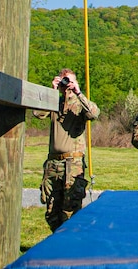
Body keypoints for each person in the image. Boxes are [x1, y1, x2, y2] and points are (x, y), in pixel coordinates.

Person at [35, 68, 99, 231]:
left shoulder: (80, 105)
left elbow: (93, 113)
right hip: (53, 163)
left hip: (73, 163)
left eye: (68, 81)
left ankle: (71, 244)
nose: (66, 84)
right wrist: (52, 91)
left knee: (70, 208)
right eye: (63, 81)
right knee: (52, 210)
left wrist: (78, 92)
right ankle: (56, 243)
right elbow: (38, 113)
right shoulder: (54, 103)